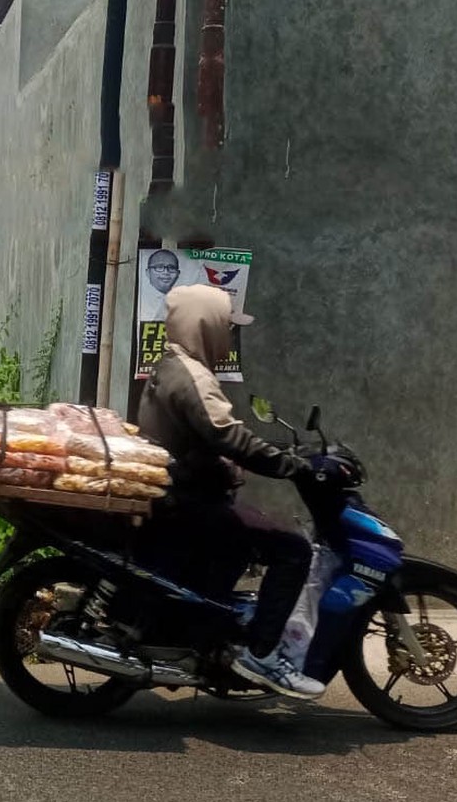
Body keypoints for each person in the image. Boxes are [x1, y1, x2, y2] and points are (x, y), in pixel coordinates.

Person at [135, 283, 325, 700]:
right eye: (227, 327)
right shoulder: (193, 378)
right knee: (292, 549)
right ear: (206, 326)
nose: (231, 337)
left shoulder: (171, 363)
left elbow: (207, 438)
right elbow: (230, 437)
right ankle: (262, 655)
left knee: (240, 544)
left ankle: (212, 635)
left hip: (181, 493)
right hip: (188, 503)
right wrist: (291, 465)